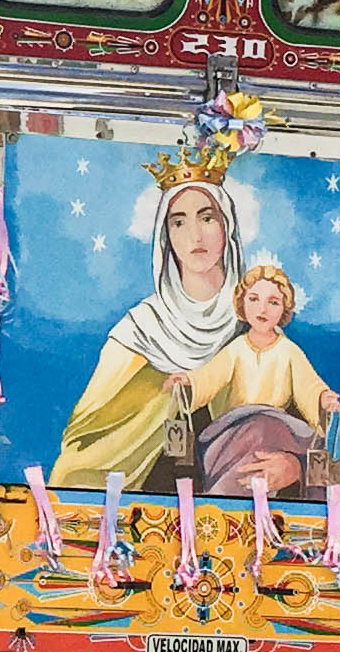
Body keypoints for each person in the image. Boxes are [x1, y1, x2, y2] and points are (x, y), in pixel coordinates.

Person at [52, 168, 250, 489]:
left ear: (227, 225)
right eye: (179, 222)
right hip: (146, 497)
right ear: (165, 236)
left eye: (207, 218)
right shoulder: (139, 331)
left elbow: (285, 426)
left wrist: (289, 461)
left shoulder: (255, 324)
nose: (195, 236)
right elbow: (85, 442)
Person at [176, 263, 340, 496]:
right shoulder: (236, 349)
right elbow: (208, 378)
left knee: (274, 438)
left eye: (273, 302)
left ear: (284, 309)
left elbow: (309, 386)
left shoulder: (289, 351)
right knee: (249, 444)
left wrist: (323, 399)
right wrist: (189, 383)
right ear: (242, 304)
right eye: (254, 299)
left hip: (278, 430)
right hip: (237, 429)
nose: (262, 309)